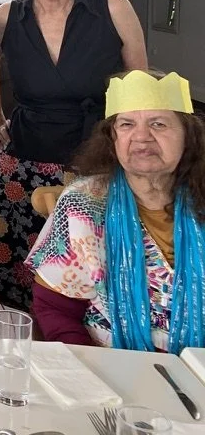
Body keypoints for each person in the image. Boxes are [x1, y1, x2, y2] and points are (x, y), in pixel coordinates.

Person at [0, 0, 147, 313]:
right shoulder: (5, 18)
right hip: (22, 165)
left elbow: (140, 92)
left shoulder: (113, 9)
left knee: (91, 287)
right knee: (21, 291)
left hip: (95, 166)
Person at [28, 71, 205, 353]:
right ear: (112, 138)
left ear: (189, 136)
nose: (141, 137)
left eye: (158, 124)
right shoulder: (84, 205)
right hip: (110, 367)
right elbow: (54, 307)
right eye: (126, 125)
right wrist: (91, 372)